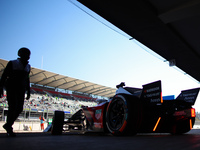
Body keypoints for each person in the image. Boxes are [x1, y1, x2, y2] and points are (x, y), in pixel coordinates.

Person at [0, 47, 31, 137]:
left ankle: (8, 125)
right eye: (26, 54)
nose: (28, 56)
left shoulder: (28, 66)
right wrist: (1, 87)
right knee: (12, 107)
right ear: (20, 54)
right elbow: (4, 75)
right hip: (11, 88)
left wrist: (28, 91)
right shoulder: (13, 63)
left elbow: (27, 80)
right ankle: (9, 127)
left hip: (21, 90)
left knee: (19, 108)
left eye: (28, 55)